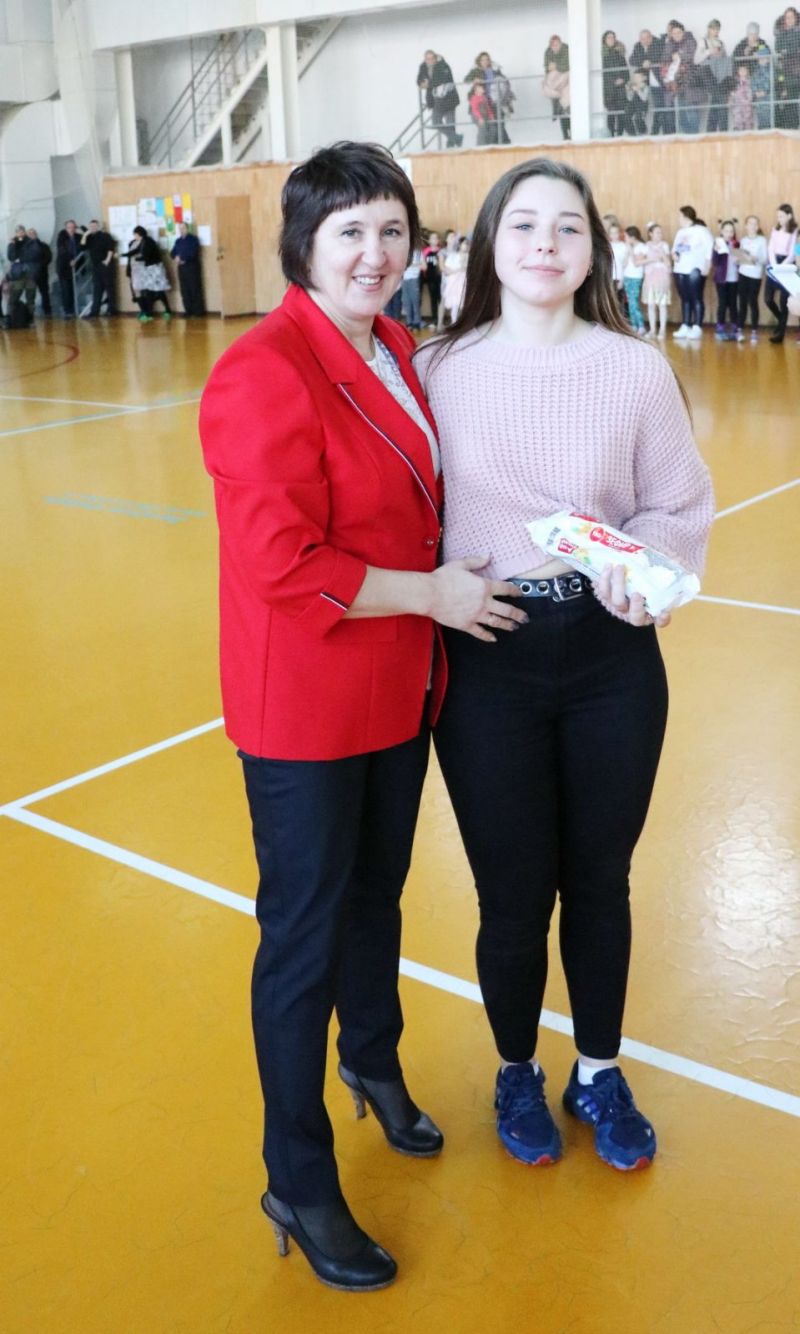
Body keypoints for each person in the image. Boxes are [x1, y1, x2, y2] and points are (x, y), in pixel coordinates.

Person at [198, 141, 525, 1294]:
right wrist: (432, 594)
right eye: (349, 232)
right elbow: (283, 561)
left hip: (397, 684)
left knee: (375, 893)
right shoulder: (261, 371)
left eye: (392, 230)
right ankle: (296, 1173)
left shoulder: (394, 346)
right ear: (303, 243)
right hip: (305, 702)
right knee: (301, 938)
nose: (374, 253)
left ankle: (371, 1061)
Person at [414, 155, 713, 1176]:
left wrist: (646, 573)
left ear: (593, 251)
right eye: (524, 224)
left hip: (608, 657)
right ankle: (515, 1067)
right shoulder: (435, 370)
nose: (544, 242)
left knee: (598, 878)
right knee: (510, 892)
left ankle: (596, 1068)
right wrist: (428, 586)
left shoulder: (634, 370)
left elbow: (675, 503)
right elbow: (398, 502)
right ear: (489, 245)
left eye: (567, 227)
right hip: (486, 657)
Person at [671, 204, 714, 338]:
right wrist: (674, 254)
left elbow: (709, 248)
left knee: (696, 297)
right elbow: (675, 248)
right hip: (680, 268)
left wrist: (708, 266)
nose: (678, 218)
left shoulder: (701, 230)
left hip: (695, 268)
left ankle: (697, 326)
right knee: (685, 298)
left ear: (686, 216)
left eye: (680, 216)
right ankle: (685, 325)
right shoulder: (680, 232)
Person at [764, 202, 799, 343]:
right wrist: (774, 266)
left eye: (782, 216)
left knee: (784, 301)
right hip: (774, 264)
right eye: (778, 216)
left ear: (789, 216)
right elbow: (771, 248)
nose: (779, 219)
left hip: (787, 266)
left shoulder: (795, 231)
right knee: (768, 299)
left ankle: (780, 334)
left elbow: (793, 253)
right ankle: (781, 321)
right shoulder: (775, 229)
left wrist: (781, 268)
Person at [417, 49, 463, 148]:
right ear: (425, 59)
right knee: (436, 122)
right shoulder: (423, 67)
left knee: (450, 123)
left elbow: (443, 79)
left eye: (432, 58)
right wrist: (422, 83)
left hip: (449, 98)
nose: (430, 61)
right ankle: (456, 138)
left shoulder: (443, 65)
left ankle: (451, 145)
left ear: (435, 57)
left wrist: (428, 84)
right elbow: (419, 80)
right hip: (436, 99)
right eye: (427, 59)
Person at [125, 225, 171, 322]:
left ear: (139, 234)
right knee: (148, 292)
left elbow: (146, 255)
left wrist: (137, 259)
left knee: (159, 291)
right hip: (147, 270)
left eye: (135, 234)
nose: (134, 236)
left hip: (155, 269)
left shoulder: (149, 241)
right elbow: (135, 251)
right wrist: (124, 255)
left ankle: (167, 310)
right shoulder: (139, 242)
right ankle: (148, 313)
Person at [464, 53, 514, 144]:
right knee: (486, 126)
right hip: (483, 101)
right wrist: (474, 79)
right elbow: (466, 80)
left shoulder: (494, 70)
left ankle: (504, 143)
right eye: (483, 60)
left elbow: (505, 81)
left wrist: (500, 80)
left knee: (499, 123)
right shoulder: (476, 71)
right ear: (479, 61)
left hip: (495, 100)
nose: (485, 61)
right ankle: (490, 145)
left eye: (487, 59)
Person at [663, 21, 702, 133]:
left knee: (691, 110)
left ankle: (694, 135)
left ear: (683, 32)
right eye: (674, 33)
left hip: (690, 81)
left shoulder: (690, 41)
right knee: (681, 112)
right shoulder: (669, 44)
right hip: (676, 83)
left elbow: (692, 56)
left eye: (679, 32)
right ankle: (686, 135)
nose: (676, 35)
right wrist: (671, 57)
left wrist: (679, 56)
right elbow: (664, 58)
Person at [735, 214, 768, 342]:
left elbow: (765, 259)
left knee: (752, 302)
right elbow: (740, 257)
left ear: (758, 226)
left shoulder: (762, 240)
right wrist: (738, 259)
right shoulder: (743, 240)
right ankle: (740, 330)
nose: (752, 226)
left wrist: (756, 258)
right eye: (750, 223)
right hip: (743, 273)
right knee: (742, 302)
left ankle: (754, 330)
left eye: (755, 224)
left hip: (755, 274)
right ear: (746, 226)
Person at [733, 23, 773, 127]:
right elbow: (734, 61)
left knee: (763, 106)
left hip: (759, 81)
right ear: (747, 34)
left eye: (756, 34)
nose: (753, 36)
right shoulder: (741, 45)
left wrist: (759, 50)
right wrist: (745, 53)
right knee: (742, 107)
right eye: (751, 34)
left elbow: (767, 57)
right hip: (745, 81)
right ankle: (740, 127)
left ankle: (762, 128)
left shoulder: (762, 43)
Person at [631, 30, 669, 132]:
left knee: (659, 107)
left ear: (651, 37)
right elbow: (632, 60)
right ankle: (643, 131)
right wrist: (642, 62)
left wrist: (649, 61)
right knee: (639, 106)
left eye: (647, 38)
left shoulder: (658, 43)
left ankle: (655, 132)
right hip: (643, 81)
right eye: (642, 38)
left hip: (658, 82)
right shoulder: (638, 46)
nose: (644, 40)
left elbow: (658, 57)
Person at [711, 219, 741, 339]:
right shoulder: (718, 243)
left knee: (733, 303)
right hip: (721, 278)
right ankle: (720, 325)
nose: (729, 234)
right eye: (726, 231)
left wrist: (739, 260)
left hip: (734, 278)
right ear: (722, 232)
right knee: (722, 303)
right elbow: (715, 262)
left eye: (731, 231)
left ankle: (735, 324)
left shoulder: (736, 244)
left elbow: (740, 261)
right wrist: (717, 251)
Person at [642, 222, 672, 338]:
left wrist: (662, 253)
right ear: (650, 234)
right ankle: (652, 329)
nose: (660, 235)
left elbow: (668, 263)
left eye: (661, 233)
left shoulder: (665, 245)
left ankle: (662, 330)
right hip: (650, 277)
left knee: (662, 304)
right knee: (651, 304)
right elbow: (638, 262)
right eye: (657, 232)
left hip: (662, 277)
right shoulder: (646, 246)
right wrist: (652, 259)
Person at [81, 219, 117, 317]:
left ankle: (111, 310)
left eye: (94, 226)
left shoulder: (105, 236)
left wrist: (107, 260)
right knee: (97, 288)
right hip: (95, 266)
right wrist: (85, 235)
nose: (92, 228)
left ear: (98, 226)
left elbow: (111, 248)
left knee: (109, 288)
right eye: (91, 226)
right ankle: (94, 311)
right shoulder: (89, 238)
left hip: (105, 265)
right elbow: (82, 247)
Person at [170, 222, 205, 316]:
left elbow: (193, 253)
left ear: (187, 229)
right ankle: (188, 311)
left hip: (192, 267)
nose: (181, 230)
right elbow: (172, 253)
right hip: (181, 268)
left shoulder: (193, 239)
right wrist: (176, 258)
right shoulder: (178, 241)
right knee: (184, 290)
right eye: (180, 228)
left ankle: (198, 311)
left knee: (194, 289)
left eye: (183, 228)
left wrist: (183, 259)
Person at [775, 7, 800, 129]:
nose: (789, 19)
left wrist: (788, 51)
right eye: (787, 17)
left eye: (791, 17)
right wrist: (792, 50)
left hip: (797, 72)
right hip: (787, 75)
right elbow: (778, 48)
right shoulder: (781, 34)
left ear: (796, 18)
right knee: (789, 102)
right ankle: (792, 128)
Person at [601, 31, 629, 136]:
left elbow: (626, 72)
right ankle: (611, 135)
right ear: (604, 40)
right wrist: (613, 81)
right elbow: (603, 73)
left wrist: (623, 79)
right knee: (611, 113)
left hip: (620, 90)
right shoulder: (601, 54)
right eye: (609, 37)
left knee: (621, 113)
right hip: (608, 90)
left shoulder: (620, 54)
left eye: (613, 37)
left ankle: (620, 135)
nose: (611, 39)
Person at [543, 34, 570, 139]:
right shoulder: (548, 52)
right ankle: (565, 136)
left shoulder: (566, 49)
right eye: (553, 45)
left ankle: (571, 133)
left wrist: (556, 66)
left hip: (566, 82)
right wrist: (554, 68)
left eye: (557, 44)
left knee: (567, 109)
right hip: (556, 82)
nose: (555, 47)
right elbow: (547, 67)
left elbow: (567, 65)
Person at [55, 220, 84, 317]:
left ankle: (72, 309)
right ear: (66, 228)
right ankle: (67, 310)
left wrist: (82, 230)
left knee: (72, 289)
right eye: (69, 227)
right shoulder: (62, 237)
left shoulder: (78, 237)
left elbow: (84, 243)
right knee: (65, 289)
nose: (71, 229)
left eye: (73, 227)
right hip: (64, 267)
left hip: (75, 266)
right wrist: (70, 260)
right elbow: (62, 250)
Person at [623, 225, 647, 333]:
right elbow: (624, 264)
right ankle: (633, 324)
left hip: (636, 277)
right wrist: (627, 252)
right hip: (627, 276)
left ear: (632, 237)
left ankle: (641, 325)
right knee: (629, 302)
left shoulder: (642, 247)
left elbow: (636, 263)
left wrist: (631, 250)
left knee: (634, 302)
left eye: (626, 237)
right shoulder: (628, 247)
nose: (625, 239)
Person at [26, 228, 52, 316]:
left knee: (44, 293)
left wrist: (39, 266)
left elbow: (48, 257)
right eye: (30, 233)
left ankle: (47, 312)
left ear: (36, 234)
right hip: (30, 274)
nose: (32, 235)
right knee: (30, 295)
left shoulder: (43, 245)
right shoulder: (25, 247)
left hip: (42, 273)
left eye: (33, 233)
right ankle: (30, 314)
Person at [421, 229, 442, 326]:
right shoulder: (425, 251)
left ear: (438, 240)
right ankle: (434, 319)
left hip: (440, 278)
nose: (434, 240)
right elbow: (423, 265)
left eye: (436, 238)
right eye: (432, 238)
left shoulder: (441, 251)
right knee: (433, 298)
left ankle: (440, 319)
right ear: (429, 240)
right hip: (430, 278)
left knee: (440, 298)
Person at [400, 243, 423, 329]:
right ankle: (409, 322)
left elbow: (424, 266)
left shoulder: (418, 253)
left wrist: (412, 265)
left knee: (415, 301)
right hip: (405, 279)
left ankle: (417, 322)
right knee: (406, 301)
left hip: (414, 279)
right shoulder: (404, 252)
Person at [468, 77, 497, 145]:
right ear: (476, 90)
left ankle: (489, 144)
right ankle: (480, 145)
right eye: (480, 88)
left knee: (493, 128)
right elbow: (475, 109)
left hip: (486, 116)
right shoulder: (474, 98)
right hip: (477, 116)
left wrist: (491, 116)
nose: (482, 89)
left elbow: (488, 108)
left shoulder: (484, 97)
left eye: (482, 88)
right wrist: (480, 118)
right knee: (483, 128)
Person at [625, 70, 649, 134]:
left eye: (638, 77)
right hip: (633, 105)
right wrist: (629, 91)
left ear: (643, 78)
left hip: (642, 106)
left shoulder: (645, 86)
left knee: (638, 119)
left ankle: (643, 132)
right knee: (626, 117)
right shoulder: (633, 85)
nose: (636, 79)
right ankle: (632, 135)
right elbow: (629, 99)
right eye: (635, 77)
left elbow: (644, 98)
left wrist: (638, 90)